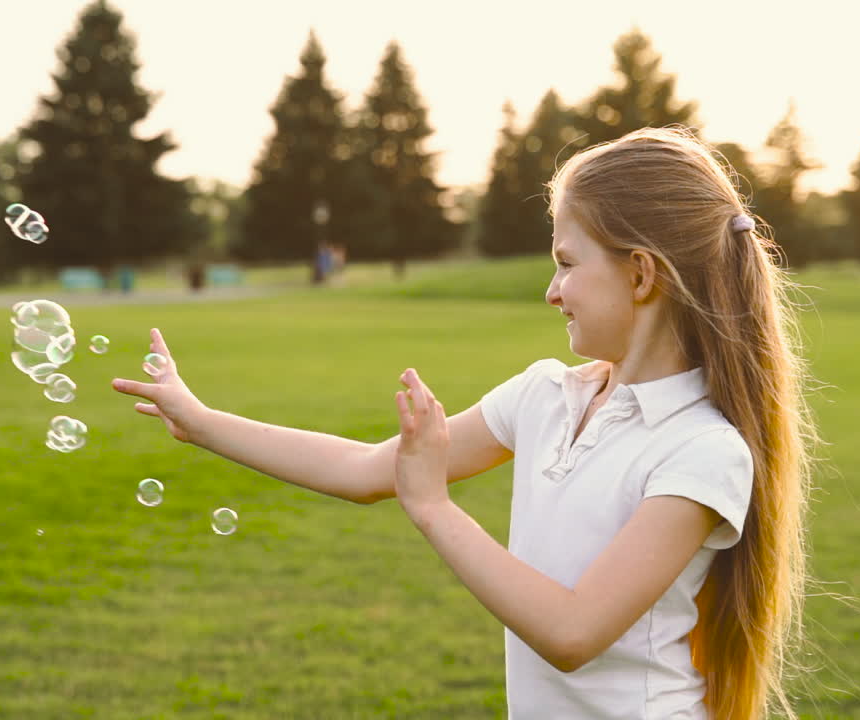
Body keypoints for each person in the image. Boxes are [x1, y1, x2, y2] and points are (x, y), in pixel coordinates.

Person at [111, 125, 819, 720]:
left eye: (566, 263)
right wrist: (201, 421)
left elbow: (573, 633)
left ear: (640, 274)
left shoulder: (701, 450)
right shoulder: (543, 398)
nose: (552, 292)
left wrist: (433, 506)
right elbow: (363, 470)